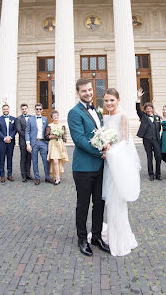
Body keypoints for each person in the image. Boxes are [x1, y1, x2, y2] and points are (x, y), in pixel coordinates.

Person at [68, 78, 109, 257]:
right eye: (84, 91)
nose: (88, 93)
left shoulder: (98, 111)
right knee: (83, 204)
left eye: (90, 90)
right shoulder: (74, 113)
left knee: (100, 203)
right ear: (78, 92)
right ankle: (82, 238)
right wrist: (100, 153)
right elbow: (79, 140)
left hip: (101, 166)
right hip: (83, 167)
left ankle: (97, 237)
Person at [101, 87, 140, 256]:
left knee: (118, 200)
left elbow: (125, 141)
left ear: (118, 101)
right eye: (106, 100)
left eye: (112, 100)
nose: (109, 103)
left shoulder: (122, 116)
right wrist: (104, 146)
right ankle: (112, 232)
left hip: (117, 161)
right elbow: (106, 137)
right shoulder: (105, 117)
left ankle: (121, 238)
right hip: (109, 162)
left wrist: (109, 151)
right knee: (110, 200)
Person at [135, 88, 162, 181]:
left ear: (152, 109)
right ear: (145, 110)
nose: (149, 110)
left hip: (156, 139)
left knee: (158, 156)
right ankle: (151, 174)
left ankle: (158, 174)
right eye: (147, 109)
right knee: (149, 157)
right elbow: (138, 109)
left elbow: (159, 128)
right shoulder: (143, 116)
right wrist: (139, 98)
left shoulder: (157, 117)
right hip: (147, 139)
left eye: (150, 108)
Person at [25, 103, 52, 185]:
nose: (38, 110)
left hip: (43, 142)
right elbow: (27, 131)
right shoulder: (30, 119)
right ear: (34, 110)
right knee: (35, 161)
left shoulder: (45, 119)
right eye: (37, 109)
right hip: (34, 143)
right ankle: (37, 178)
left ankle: (47, 177)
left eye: (40, 109)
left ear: (42, 110)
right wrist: (28, 144)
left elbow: (47, 131)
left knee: (46, 161)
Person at [0, 104, 17, 183]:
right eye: (4, 109)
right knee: (2, 158)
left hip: (11, 141)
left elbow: (15, 129)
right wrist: (4, 138)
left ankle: (9, 174)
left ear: (9, 109)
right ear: (2, 110)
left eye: (6, 109)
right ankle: (2, 175)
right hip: (2, 142)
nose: (5, 110)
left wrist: (10, 137)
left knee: (10, 158)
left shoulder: (13, 119)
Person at [47, 110, 68, 185]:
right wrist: (53, 136)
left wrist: (63, 145)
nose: (56, 117)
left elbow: (64, 136)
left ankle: (56, 176)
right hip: (53, 144)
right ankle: (57, 178)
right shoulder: (50, 126)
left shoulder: (62, 126)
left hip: (60, 144)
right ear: (52, 118)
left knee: (59, 161)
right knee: (55, 161)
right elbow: (46, 136)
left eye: (57, 116)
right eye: (54, 116)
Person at [15, 103, 33, 182]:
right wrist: (27, 138)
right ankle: (23, 175)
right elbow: (19, 130)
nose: (24, 110)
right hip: (22, 141)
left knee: (29, 158)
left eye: (25, 109)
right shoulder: (18, 119)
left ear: (27, 109)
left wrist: (31, 138)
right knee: (23, 158)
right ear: (21, 110)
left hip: (31, 142)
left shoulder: (32, 117)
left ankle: (28, 174)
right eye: (23, 109)